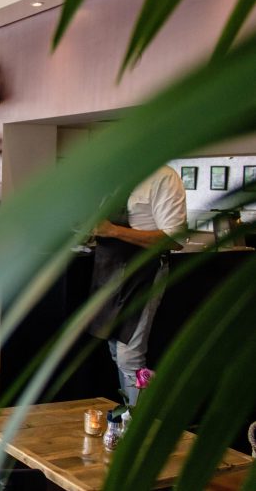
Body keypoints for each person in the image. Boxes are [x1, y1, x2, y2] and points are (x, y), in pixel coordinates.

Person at [87, 165, 187, 405]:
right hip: (108, 271)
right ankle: (130, 414)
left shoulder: (163, 177)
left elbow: (174, 239)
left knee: (128, 356)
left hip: (143, 272)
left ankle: (140, 420)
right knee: (115, 350)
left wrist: (113, 231)